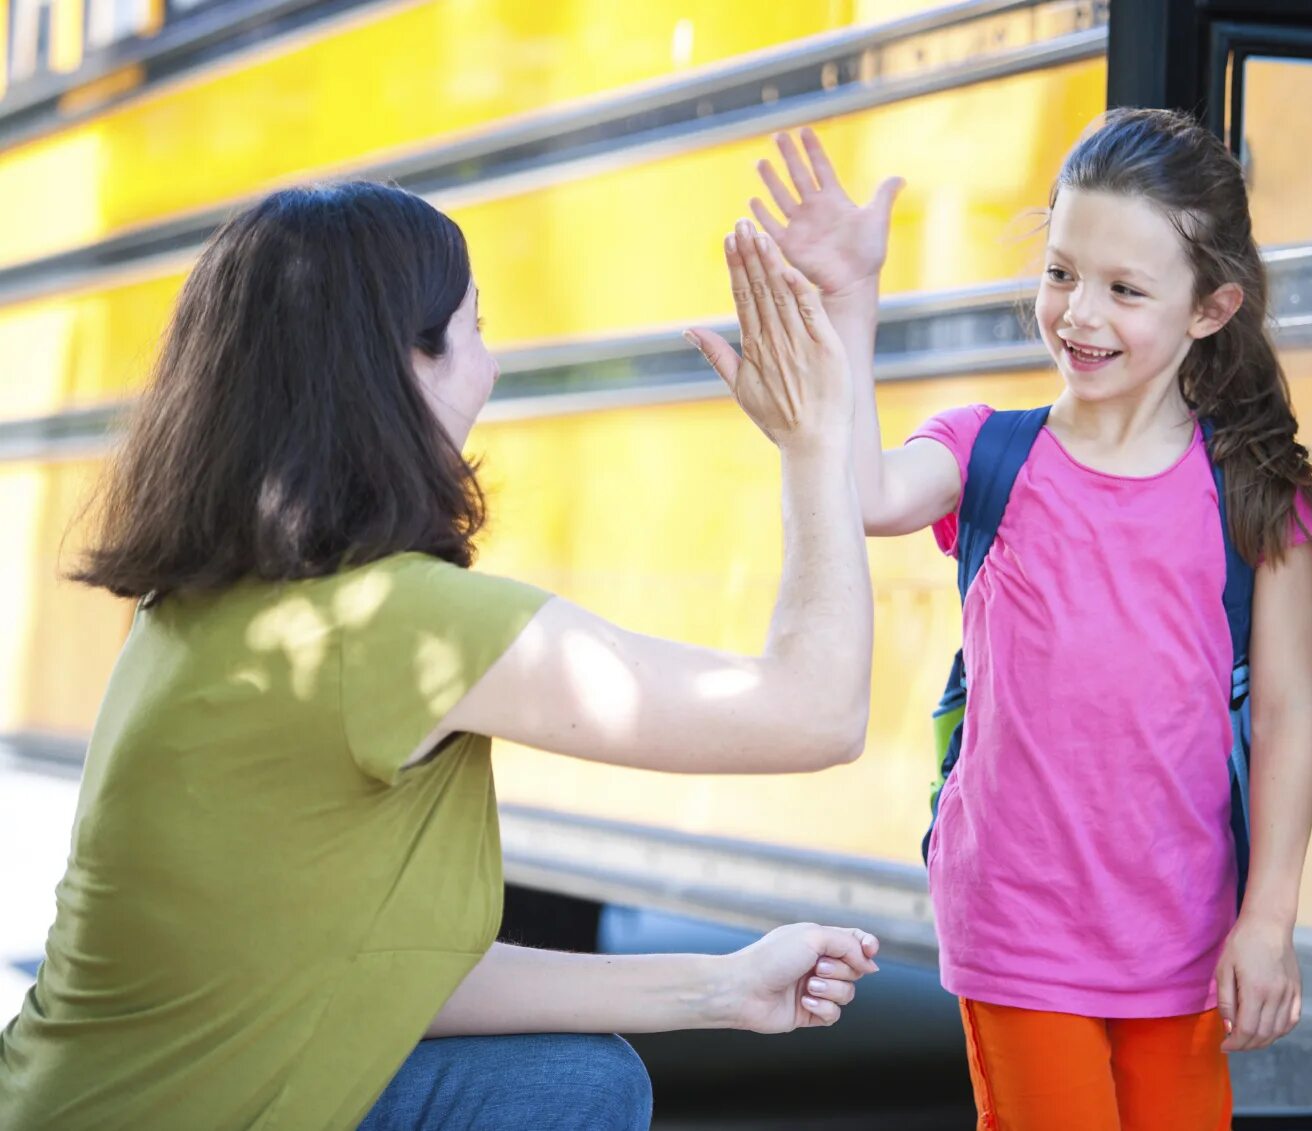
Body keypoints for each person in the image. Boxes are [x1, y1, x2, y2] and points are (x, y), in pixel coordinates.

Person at [0, 182, 880, 1131]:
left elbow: (368, 970)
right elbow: (814, 711)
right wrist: (814, 443)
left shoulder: (203, 600)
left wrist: (722, 987)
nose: (490, 369)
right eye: (475, 329)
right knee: (574, 1090)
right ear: (400, 365)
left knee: (574, 1081)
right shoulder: (399, 625)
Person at [746, 110, 1312, 1129]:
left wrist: (1268, 918)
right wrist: (850, 298)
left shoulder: (1250, 492)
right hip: (1017, 927)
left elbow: (1291, 713)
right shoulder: (989, 453)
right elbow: (861, 495)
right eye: (1061, 274)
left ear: (1210, 309)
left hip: (1183, 934)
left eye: (1125, 290)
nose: (1079, 313)